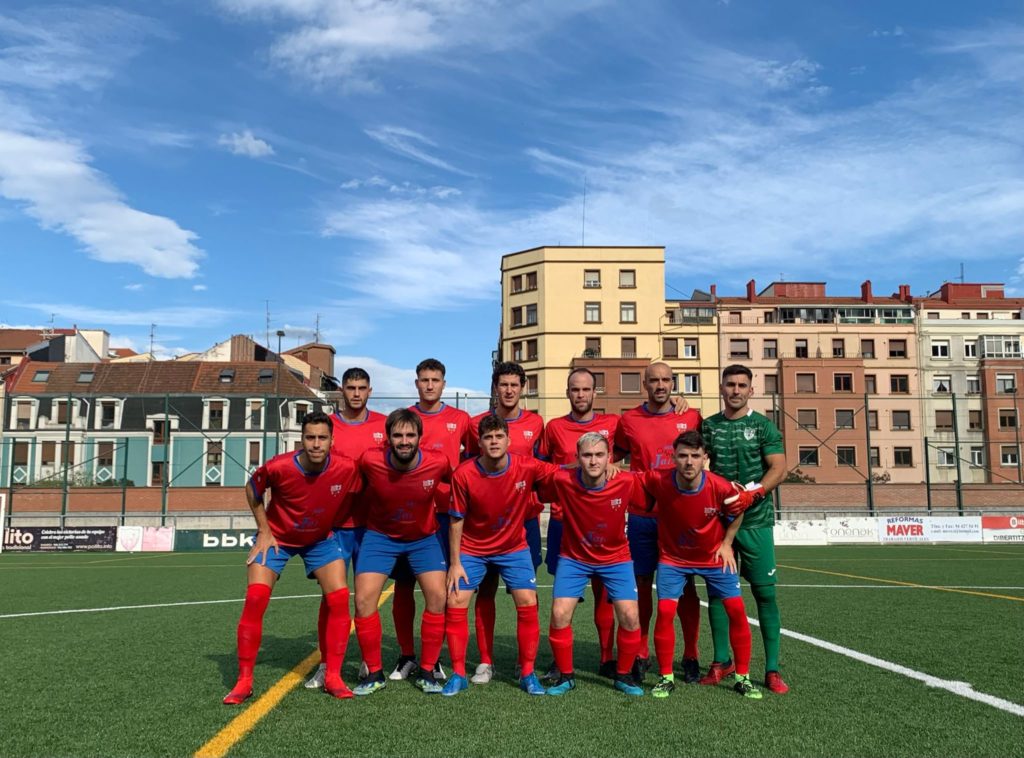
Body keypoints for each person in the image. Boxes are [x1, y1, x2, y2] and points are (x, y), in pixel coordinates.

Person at [224, 411, 362, 704]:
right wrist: (264, 530)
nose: (316, 444)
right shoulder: (279, 466)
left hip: (319, 540)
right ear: (301, 439)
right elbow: (251, 489)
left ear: (332, 441)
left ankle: (333, 677)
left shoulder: (347, 467)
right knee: (255, 599)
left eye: (322, 438)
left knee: (339, 598)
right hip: (277, 539)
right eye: (310, 437)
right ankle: (244, 682)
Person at [639, 430, 762, 699]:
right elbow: (629, 479)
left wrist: (727, 543)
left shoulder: (720, 486)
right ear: (673, 457)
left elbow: (738, 510)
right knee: (665, 611)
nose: (689, 462)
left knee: (736, 610)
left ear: (705, 458)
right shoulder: (658, 479)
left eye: (695, 456)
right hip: (673, 558)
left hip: (713, 557)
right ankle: (666, 677)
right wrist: (611, 468)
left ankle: (742, 677)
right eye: (682, 455)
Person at [443, 415, 559, 696]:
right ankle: (458, 674)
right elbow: (456, 519)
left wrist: (600, 466)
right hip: (473, 548)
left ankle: (528, 673)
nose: (494, 442)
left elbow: (562, 472)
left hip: (513, 547)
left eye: (498, 436)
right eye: (488, 437)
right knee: (455, 600)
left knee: (528, 599)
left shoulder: (526, 466)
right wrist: (455, 563)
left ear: (509, 440)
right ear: (479, 443)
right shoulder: (464, 474)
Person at [700, 364, 789, 694]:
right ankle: (721, 662)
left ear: (751, 390)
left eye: (741, 385)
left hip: (755, 522)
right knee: (718, 594)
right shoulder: (708, 426)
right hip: (719, 524)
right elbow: (693, 459)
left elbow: (779, 468)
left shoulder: (763, 426)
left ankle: (772, 669)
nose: (735, 390)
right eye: (730, 385)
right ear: (721, 388)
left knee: (765, 593)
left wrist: (754, 494)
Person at [351, 408, 453, 696]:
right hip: (380, 537)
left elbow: (460, 484)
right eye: (398, 435)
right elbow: (352, 484)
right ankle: (374, 673)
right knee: (363, 600)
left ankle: (427, 671)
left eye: (410, 435)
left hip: (424, 538)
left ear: (420, 437)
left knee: (438, 597)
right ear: (388, 438)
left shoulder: (438, 462)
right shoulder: (370, 460)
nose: (404, 441)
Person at [613, 362, 703, 683]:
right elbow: (612, 455)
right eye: (654, 380)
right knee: (641, 585)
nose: (660, 385)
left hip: (678, 516)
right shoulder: (629, 420)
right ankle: (641, 652)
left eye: (666, 380)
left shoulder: (691, 417)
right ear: (645, 384)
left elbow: (702, 459)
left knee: (686, 587)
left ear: (673, 383)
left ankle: (690, 654)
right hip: (641, 516)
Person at [538, 432, 645, 697]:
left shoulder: (626, 481)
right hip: (574, 558)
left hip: (616, 559)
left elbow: (660, 485)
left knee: (630, 616)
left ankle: (623, 675)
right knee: (559, 613)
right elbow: (534, 475)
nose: (593, 461)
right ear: (577, 458)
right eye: (587, 455)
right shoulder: (563, 480)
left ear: (609, 458)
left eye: (599, 455)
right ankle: (566, 676)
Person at [386, 358, 470, 683]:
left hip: (447, 515)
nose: (430, 385)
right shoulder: (404, 419)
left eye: (435, 380)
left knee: (442, 589)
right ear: (416, 383)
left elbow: (473, 459)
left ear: (444, 384)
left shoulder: (460, 419)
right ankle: (407, 655)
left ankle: (433, 659)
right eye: (424, 379)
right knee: (404, 585)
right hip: (409, 515)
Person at [536, 368, 622, 678]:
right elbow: (542, 467)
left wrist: (677, 401)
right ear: (567, 393)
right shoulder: (554, 427)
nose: (581, 394)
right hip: (564, 522)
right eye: (575, 389)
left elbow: (630, 446)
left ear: (594, 392)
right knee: (563, 599)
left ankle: (606, 658)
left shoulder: (613, 423)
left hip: (603, 522)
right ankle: (560, 662)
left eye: (586, 389)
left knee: (604, 593)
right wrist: (572, 466)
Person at [463, 361, 545, 684]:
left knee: (526, 595)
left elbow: (544, 468)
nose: (509, 390)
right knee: (485, 592)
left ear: (522, 387)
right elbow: (470, 467)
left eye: (514, 385)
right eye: (503, 384)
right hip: (484, 526)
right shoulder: (476, 425)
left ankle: (525, 664)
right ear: (495, 388)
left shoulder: (536, 423)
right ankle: (485, 661)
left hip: (524, 522)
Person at [305, 368, 387, 690]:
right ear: (342, 391)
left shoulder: (383, 425)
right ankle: (326, 664)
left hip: (373, 527)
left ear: (370, 391)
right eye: (350, 387)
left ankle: (369, 661)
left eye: (361, 388)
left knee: (367, 598)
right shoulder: (327, 426)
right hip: (335, 527)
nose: (356, 393)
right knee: (331, 598)